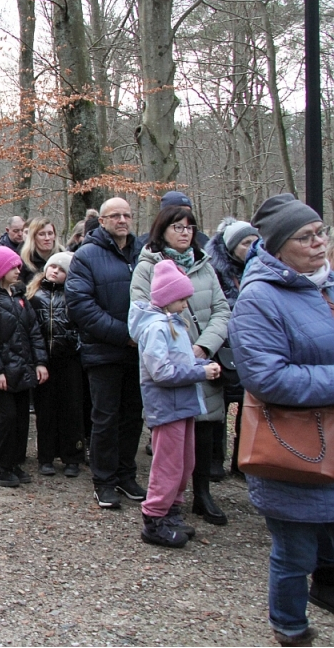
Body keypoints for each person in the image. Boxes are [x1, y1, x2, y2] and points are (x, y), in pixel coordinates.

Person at [226, 194, 334, 647]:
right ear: (275, 247)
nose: (318, 243)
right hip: (295, 449)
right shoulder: (258, 299)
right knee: (294, 554)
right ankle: (290, 628)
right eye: (304, 237)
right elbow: (267, 378)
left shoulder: (327, 286)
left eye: (321, 232)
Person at [130, 205, 231, 525]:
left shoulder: (205, 264)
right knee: (171, 454)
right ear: (163, 230)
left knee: (197, 440)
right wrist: (189, 359)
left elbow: (221, 309)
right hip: (175, 374)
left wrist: (204, 347)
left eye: (190, 227)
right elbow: (143, 322)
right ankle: (162, 511)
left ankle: (198, 494)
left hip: (200, 360)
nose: (185, 232)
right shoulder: (149, 269)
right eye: (177, 227)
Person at [129, 260, 221, 548]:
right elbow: (161, 371)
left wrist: (201, 363)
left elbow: (180, 361)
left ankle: (173, 511)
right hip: (167, 407)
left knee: (184, 462)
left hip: (184, 405)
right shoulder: (156, 328)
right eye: (182, 298)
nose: (186, 304)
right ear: (169, 298)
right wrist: (199, 372)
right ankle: (154, 516)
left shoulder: (175, 324)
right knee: (167, 465)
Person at [66, 197, 147, 509]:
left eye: (127, 215)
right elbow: (81, 307)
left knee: (132, 417)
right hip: (104, 351)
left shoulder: (144, 253)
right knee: (105, 418)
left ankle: (127, 474)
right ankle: (104, 480)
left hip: (140, 352)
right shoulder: (86, 256)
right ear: (102, 221)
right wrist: (124, 336)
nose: (122, 220)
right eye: (115, 216)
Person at [0, 246, 49, 488]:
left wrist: (40, 362)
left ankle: (14, 460)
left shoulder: (19, 298)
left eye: (18, 266)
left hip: (23, 368)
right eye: (13, 266)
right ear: (1, 270)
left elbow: (34, 332)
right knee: (7, 418)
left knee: (20, 419)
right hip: (5, 372)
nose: (19, 270)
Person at [204, 218, 258, 477]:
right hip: (221, 345)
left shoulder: (259, 269)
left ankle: (243, 459)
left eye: (254, 242)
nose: (251, 247)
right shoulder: (213, 269)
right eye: (246, 242)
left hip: (253, 345)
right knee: (219, 405)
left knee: (249, 406)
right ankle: (216, 459)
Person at [27, 251, 83, 478]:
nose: (55, 272)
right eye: (52, 267)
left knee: (71, 409)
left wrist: (74, 341)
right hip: (43, 360)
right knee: (45, 410)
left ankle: (72, 456)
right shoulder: (34, 295)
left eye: (61, 270)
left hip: (69, 359)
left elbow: (81, 324)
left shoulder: (73, 295)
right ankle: (46, 456)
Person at [19, 217, 64, 284]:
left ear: (54, 236)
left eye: (50, 233)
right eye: (41, 234)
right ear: (33, 237)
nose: (47, 238)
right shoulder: (23, 260)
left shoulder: (63, 256)